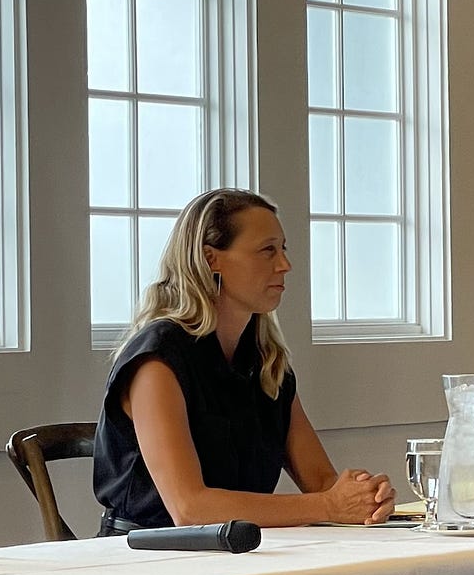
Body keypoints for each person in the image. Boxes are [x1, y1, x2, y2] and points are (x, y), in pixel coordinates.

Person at [93, 188, 395, 533]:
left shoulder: (265, 359)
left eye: (282, 249)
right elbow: (189, 508)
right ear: (210, 258)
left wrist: (364, 497)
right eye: (267, 250)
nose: (285, 264)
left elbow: (320, 480)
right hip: (144, 562)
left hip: (237, 553)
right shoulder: (158, 357)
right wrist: (329, 504)